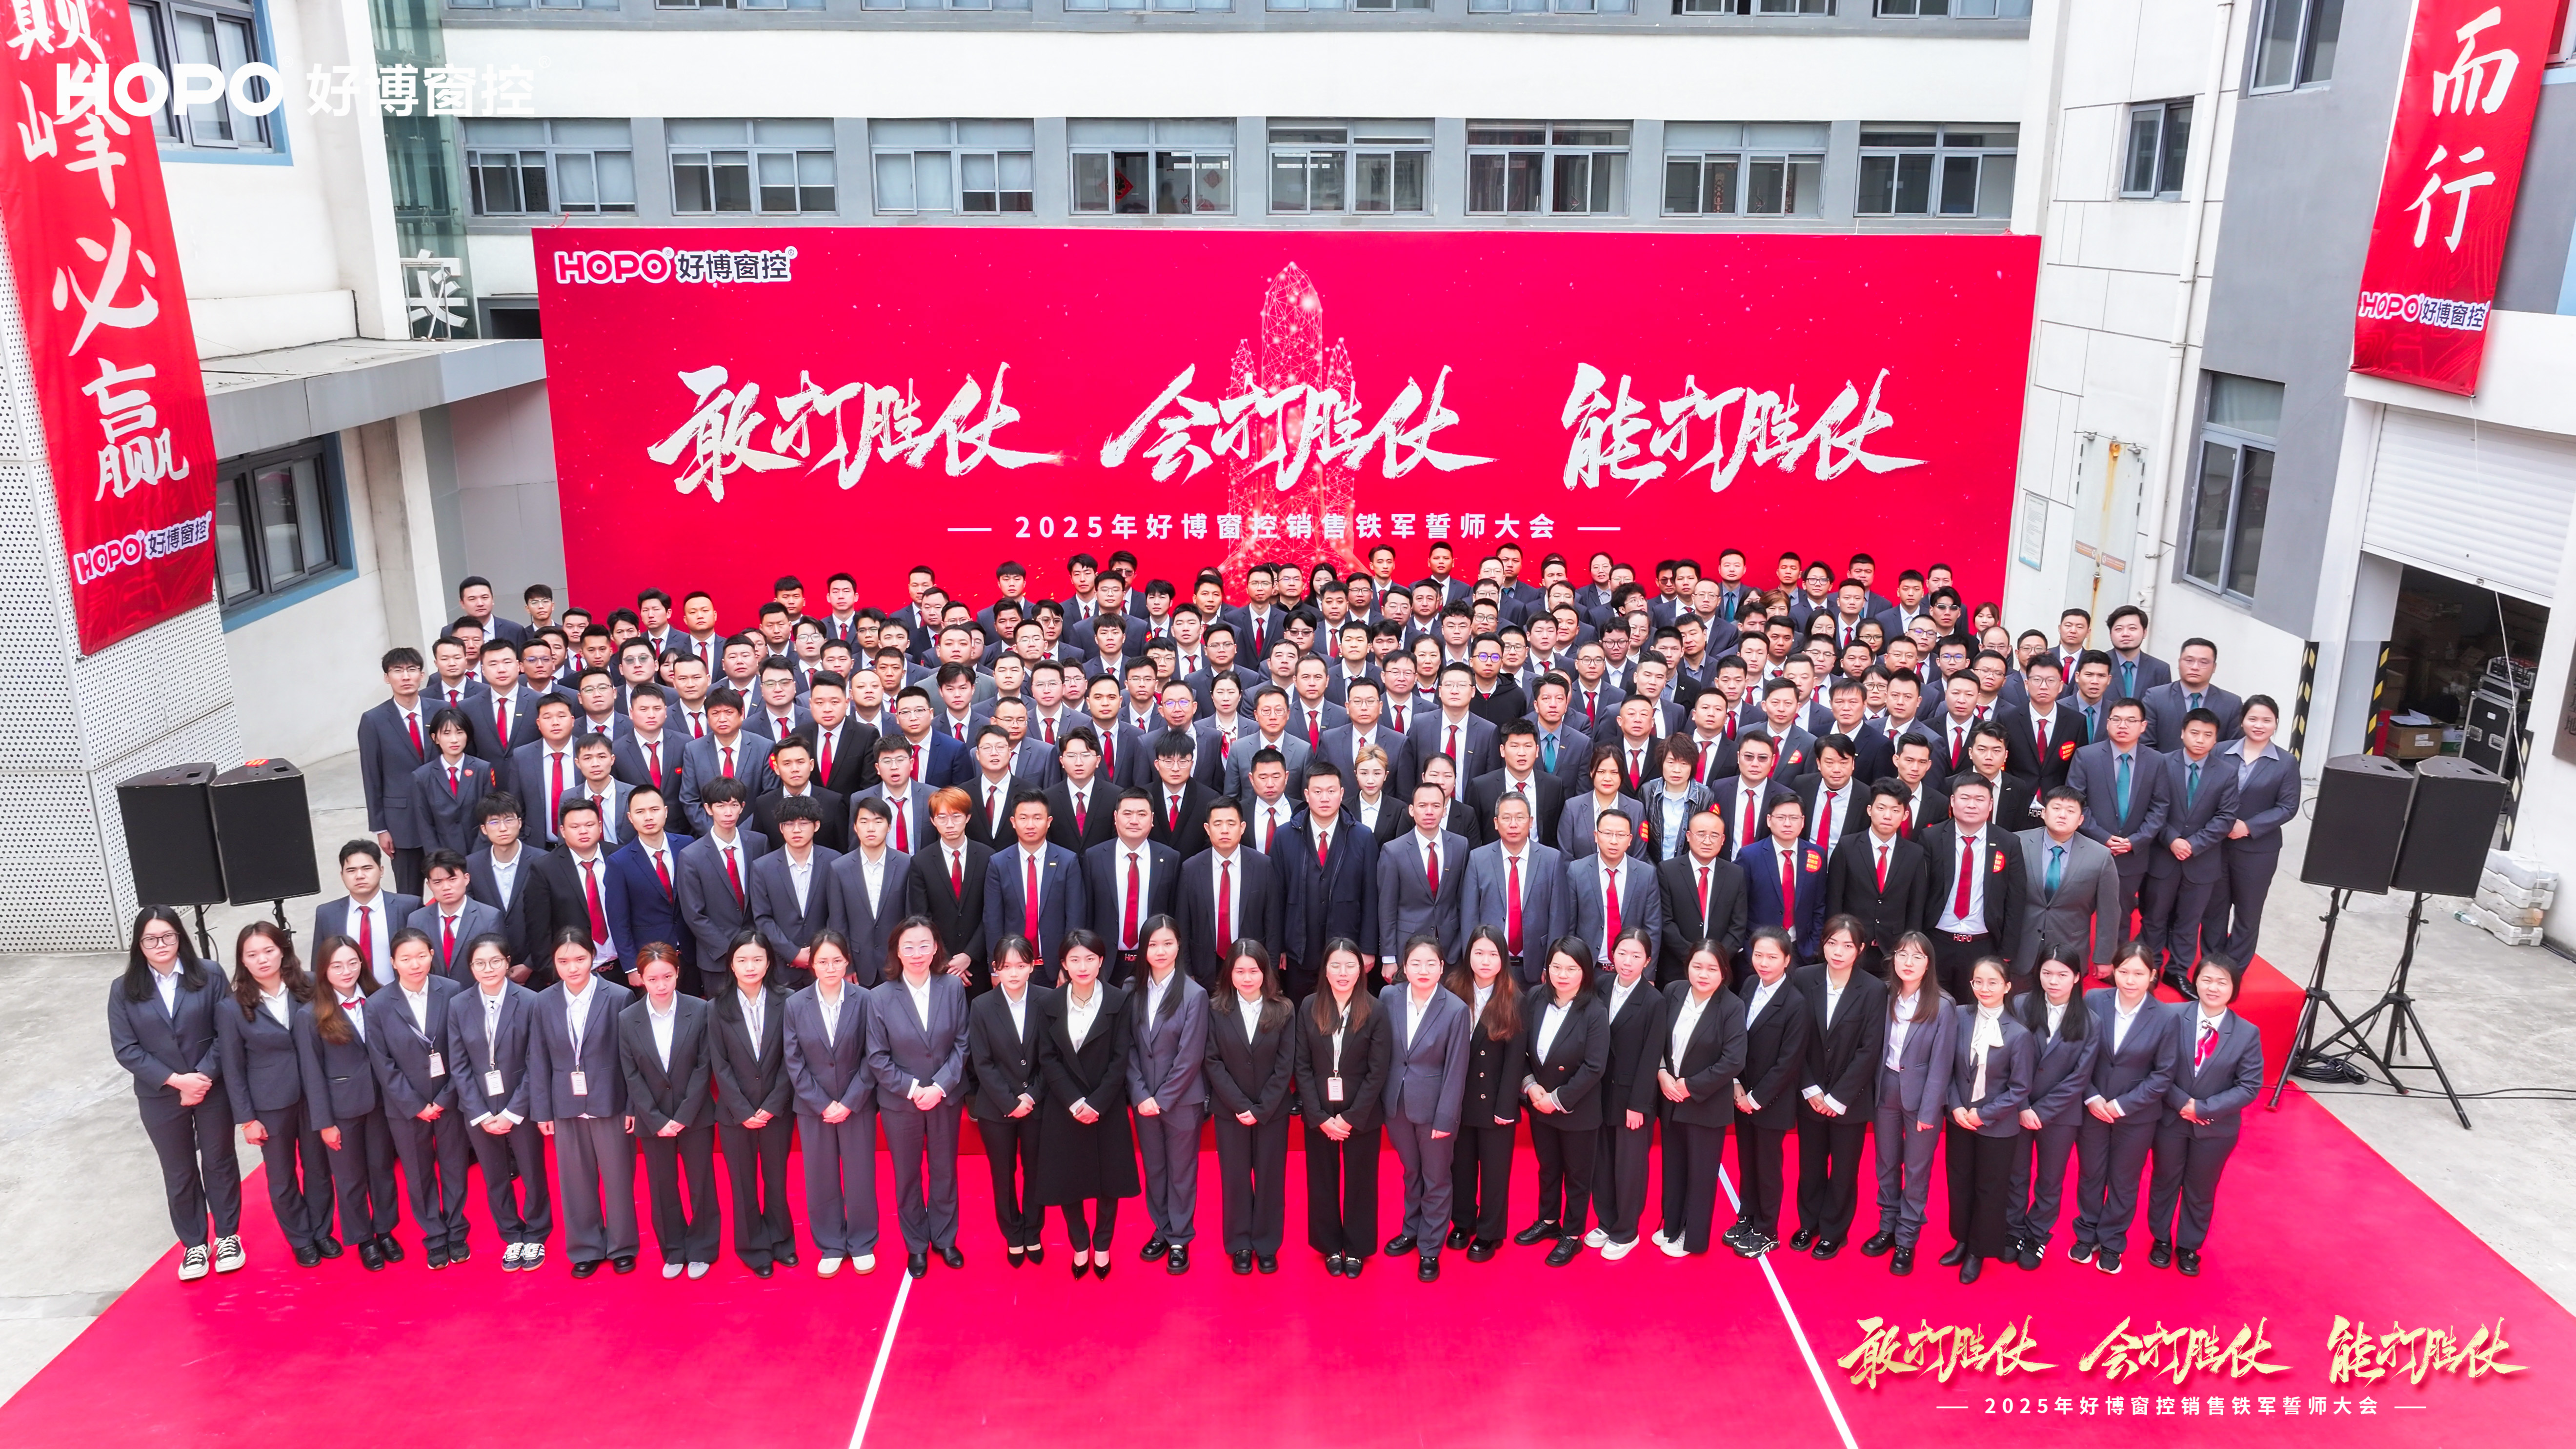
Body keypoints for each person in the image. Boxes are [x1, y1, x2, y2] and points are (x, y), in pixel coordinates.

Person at [109, 907, 247, 1282]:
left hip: (211, 1086)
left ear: (180, 937)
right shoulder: (123, 989)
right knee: (179, 1169)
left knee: (219, 1161)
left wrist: (200, 1077)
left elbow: (226, 1032)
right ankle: (194, 1244)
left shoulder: (209, 974)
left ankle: (228, 1236)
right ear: (139, 945)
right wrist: (176, 1081)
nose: (161, 945)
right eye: (151, 939)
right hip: (160, 1094)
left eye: (168, 936)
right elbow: (126, 1049)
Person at [218, 922, 335, 1267]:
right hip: (269, 1103)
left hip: (314, 1096)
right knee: (282, 1176)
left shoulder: (309, 986)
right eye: (252, 954)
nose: (263, 959)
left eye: (269, 950)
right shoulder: (232, 1007)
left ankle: (322, 1231)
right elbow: (233, 1068)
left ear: (282, 950)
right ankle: (301, 1238)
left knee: (318, 1168)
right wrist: (247, 1119)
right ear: (243, 961)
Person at [2145, 954, 2264, 1277]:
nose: (2213, 987)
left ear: (2234, 988)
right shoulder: (2171, 1016)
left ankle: (2189, 1246)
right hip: (2170, 1120)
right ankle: (2161, 1239)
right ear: (2195, 981)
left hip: (2216, 1129)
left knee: (2201, 1188)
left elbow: (2249, 1086)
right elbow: (2155, 1067)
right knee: (2164, 1180)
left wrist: (2204, 1108)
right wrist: (2183, 1103)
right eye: (2207, 979)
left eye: (2222, 982)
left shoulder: (2247, 1033)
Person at [529, 930, 639, 1276]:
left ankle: (622, 1245)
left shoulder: (619, 996)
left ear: (593, 957)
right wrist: (542, 1111)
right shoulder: (543, 1002)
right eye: (563, 961)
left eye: (580, 959)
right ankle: (585, 1246)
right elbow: (538, 1058)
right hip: (565, 1102)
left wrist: (633, 1106)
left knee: (619, 1178)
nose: (573, 968)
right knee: (575, 1180)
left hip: (612, 1100)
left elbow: (632, 1058)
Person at [869, 916, 972, 1277]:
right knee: (907, 1176)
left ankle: (945, 1238)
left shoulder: (952, 987)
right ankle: (916, 1245)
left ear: (936, 948)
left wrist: (939, 1087)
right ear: (897, 951)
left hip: (945, 1096)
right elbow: (877, 1057)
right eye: (909, 947)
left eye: (924, 945)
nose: (917, 953)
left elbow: (962, 1044)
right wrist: (915, 1090)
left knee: (945, 1171)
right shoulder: (880, 997)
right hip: (901, 1102)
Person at [1034, 929, 1139, 1278]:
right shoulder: (1049, 1003)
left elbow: (1121, 1059)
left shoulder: (1119, 1001)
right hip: (1065, 1106)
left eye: (1090, 959)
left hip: (1106, 1106)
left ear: (1101, 961)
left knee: (1110, 1181)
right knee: (1069, 1181)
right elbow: (1048, 1059)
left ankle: (1103, 1245)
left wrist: (1097, 1103)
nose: (1083, 967)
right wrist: (1075, 1101)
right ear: (1063, 964)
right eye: (1075, 960)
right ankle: (1080, 1244)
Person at [2069, 942, 2178, 1274]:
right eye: (2124, 972)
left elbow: (2164, 1074)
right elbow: (2077, 1055)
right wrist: (2091, 1097)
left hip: (2137, 1116)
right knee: (2090, 1173)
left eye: (2139, 974)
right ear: (2113, 971)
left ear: (2153, 976)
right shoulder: (2093, 1001)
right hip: (2093, 1107)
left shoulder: (2166, 1017)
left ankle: (2113, 1241)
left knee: (2124, 1179)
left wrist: (2122, 1105)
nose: (2130, 980)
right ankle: (2086, 1233)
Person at [366, 927, 472, 1268]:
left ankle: (457, 1230)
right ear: (393, 962)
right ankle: (435, 1236)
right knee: (418, 1173)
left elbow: (463, 1050)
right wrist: (415, 1106)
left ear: (432, 955)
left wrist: (446, 1097)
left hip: (449, 1098)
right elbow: (383, 1063)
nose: (415, 964)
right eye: (406, 958)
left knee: (455, 1167)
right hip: (405, 1107)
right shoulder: (378, 1004)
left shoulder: (452, 991)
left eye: (421, 956)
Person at [296, 934, 400, 1271]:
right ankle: (363, 1239)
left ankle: (385, 1230)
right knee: (350, 1178)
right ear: (323, 970)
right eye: (337, 966)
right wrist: (325, 1123)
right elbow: (312, 1073)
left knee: (382, 1170)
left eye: (353, 963)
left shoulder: (379, 998)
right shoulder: (310, 1014)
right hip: (342, 1109)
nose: (347, 971)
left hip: (383, 1102)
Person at [1789, 916, 1889, 1261]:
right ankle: (1809, 1223)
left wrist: (1838, 1097)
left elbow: (1870, 1049)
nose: (1838, 952)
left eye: (1847, 945)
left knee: (1844, 1170)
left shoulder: (1874, 989)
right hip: (1810, 1095)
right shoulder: (1804, 978)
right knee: (1810, 1167)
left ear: (1860, 949)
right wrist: (1810, 1088)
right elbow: (1795, 1040)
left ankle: (1834, 1232)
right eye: (1832, 943)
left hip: (1851, 1100)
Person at [619, 942, 720, 1279]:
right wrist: (655, 1118)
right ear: (641, 979)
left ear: (678, 973)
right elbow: (631, 1074)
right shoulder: (627, 1018)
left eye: (667, 977)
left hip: (696, 1114)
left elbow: (704, 1066)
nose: (661, 985)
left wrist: (684, 1116)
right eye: (652, 979)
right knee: (662, 1187)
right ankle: (673, 1249)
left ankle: (703, 1248)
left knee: (701, 1183)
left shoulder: (700, 1010)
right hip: (653, 1119)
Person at [784, 930, 881, 1278]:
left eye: (837, 961)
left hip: (858, 1102)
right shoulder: (795, 1004)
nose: (830, 968)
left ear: (847, 962)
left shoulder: (865, 999)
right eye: (822, 961)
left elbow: (874, 1055)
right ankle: (831, 1244)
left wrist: (851, 1101)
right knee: (820, 1177)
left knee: (860, 1175)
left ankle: (862, 1241)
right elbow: (793, 1060)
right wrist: (822, 1104)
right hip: (814, 1107)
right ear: (812, 965)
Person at [1862, 931, 1954, 1277]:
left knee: (1916, 1171)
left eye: (1917, 957)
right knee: (1886, 1163)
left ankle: (1906, 1239)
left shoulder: (1942, 1005)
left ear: (1928, 964)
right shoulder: (1883, 995)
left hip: (1922, 1097)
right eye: (1902, 955)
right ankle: (1887, 1227)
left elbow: (1942, 1064)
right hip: (1886, 1089)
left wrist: (1930, 1110)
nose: (1908, 963)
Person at [1380, 933, 1471, 1281]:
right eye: (1416, 963)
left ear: (1442, 967)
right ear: (1404, 967)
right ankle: (1411, 1230)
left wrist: (1446, 1117)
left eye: (1431, 963)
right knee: (1411, 1172)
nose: (1423, 970)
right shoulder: (1389, 997)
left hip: (1435, 1110)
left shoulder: (1455, 1009)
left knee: (1436, 1178)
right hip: (1396, 1104)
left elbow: (1456, 1069)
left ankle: (1431, 1247)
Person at [1300, 939, 1392, 1278]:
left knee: (1361, 1182)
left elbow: (1378, 1070)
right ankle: (1329, 1245)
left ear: (1362, 969)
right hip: (1320, 1113)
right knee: (1322, 1181)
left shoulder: (1375, 1009)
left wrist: (1351, 1118)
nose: (1343, 973)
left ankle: (1356, 1247)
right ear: (1325, 970)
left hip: (1362, 1114)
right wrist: (1320, 1117)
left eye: (1350, 965)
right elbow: (1302, 1065)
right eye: (1336, 965)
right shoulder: (1310, 1006)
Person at [2005, 946, 2100, 1272]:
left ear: (2077, 977)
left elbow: (2080, 1078)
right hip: (2017, 1107)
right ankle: (2012, 1230)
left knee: (2050, 1179)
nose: (2053, 981)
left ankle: (2037, 1236)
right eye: (2047, 973)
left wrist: (2041, 1111)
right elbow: (2008, 1061)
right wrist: (2022, 1105)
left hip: (2061, 1116)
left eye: (2062, 975)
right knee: (2016, 1174)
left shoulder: (2090, 1021)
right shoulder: (2020, 1005)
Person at [707, 931, 796, 1276]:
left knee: (777, 1179)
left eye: (757, 959)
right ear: (731, 964)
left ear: (769, 962)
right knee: (743, 1184)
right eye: (742, 960)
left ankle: (782, 1241)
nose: (750, 966)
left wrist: (773, 1104)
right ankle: (753, 1247)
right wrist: (743, 1109)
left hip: (777, 1109)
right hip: (735, 1113)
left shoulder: (788, 1001)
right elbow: (720, 1065)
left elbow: (792, 1059)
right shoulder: (717, 1007)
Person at [1206, 940, 1297, 1274]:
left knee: (1271, 1178)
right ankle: (1240, 1243)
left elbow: (1286, 1065)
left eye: (1254, 971)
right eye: (1240, 971)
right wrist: (1240, 1105)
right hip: (1229, 1110)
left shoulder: (1283, 1009)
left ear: (1265, 973)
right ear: (1229, 973)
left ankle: (1267, 1243)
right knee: (1235, 1179)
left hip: (1273, 1111)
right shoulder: (1215, 1009)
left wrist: (1262, 1108)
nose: (1247, 978)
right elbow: (1212, 1061)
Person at [1518, 938, 1610, 1266]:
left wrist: (1556, 1099)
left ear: (1585, 972)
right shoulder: (1534, 998)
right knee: (1548, 1167)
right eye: (1556, 967)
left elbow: (1594, 1067)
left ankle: (1572, 1235)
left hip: (1576, 1109)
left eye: (1572, 968)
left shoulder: (1595, 1011)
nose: (1563, 975)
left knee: (1577, 1175)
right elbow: (1520, 1050)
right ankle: (1548, 1220)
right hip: (1539, 1102)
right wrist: (1531, 1088)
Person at [1125, 915, 1208, 1272]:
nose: (1160, 951)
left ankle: (1180, 1237)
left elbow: (1190, 1056)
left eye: (1168, 943)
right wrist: (1140, 1094)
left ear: (1179, 946)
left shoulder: (1194, 994)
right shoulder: (1132, 988)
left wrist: (1162, 1099)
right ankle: (1161, 1229)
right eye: (1153, 944)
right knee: (1155, 1169)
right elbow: (1128, 1048)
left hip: (1182, 1101)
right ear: (1143, 949)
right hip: (1143, 1099)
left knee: (1182, 1172)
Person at [1653, 940, 1748, 1256]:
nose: (1703, 974)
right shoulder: (1673, 992)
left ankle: (1692, 1238)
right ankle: (1672, 1226)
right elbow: (1657, 1040)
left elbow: (1733, 1061)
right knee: (1674, 1169)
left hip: (1706, 1104)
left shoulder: (1732, 1006)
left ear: (1724, 971)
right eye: (1697, 966)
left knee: (1701, 1176)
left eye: (1712, 968)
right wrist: (1662, 1073)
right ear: (1687, 967)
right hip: (1670, 1096)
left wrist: (1690, 1086)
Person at [1942, 955, 2033, 1284]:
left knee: (1990, 1188)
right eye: (1978, 981)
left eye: (1993, 982)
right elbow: (1946, 1068)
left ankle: (1979, 1251)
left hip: (1997, 1125)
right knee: (1959, 1182)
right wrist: (1955, 1107)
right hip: (1959, 1119)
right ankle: (1962, 1240)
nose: (1985, 988)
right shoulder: (1958, 1016)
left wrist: (1984, 1114)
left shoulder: (2019, 1033)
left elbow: (2020, 1087)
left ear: (2007, 987)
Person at [967, 937, 1052, 1266]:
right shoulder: (982, 1006)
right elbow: (982, 1062)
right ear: (995, 969)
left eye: (1021, 965)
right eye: (1006, 966)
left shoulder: (1047, 1000)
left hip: (1037, 1105)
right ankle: (1013, 1235)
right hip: (996, 1108)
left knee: (1036, 1173)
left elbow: (1051, 1057)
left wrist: (1032, 1095)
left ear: (1032, 966)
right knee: (1003, 1175)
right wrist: (1010, 1101)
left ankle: (1033, 1231)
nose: (1014, 973)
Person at [1727, 927, 1811, 1257]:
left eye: (1772, 957)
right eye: (1758, 955)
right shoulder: (1749, 985)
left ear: (1787, 960)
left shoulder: (1796, 1003)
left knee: (1768, 1168)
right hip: (1741, 1095)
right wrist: (1736, 1085)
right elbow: (1735, 1039)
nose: (1763, 962)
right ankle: (1747, 1216)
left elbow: (1789, 1062)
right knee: (1747, 1162)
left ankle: (1767, 1229)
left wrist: (1756, 1098)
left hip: (1770, 1102)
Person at [1443, 926, 1525, 1263]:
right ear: (1469, 956)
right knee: (1460, 1166)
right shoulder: (1452, 989)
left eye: (1493, 954)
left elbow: (1516, 1060)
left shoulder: (1514, 998)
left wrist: (1506, 1106)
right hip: (1458, 1098)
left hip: (1494, 1100)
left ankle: (1490, 1231)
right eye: (1479, 953)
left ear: (1503, 958)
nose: (1486, 960)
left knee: (1494, 1170)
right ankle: (1463, 1222)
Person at [2210, 696, 2300, 965]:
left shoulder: (2285, 762)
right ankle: (2211, 965)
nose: (2259, 725)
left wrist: (2248, 827)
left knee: (2248, 913)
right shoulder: (2220, 751)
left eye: (2266, 720)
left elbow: (2287, 807)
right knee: (2213, 909)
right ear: (2242, 721)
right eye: (2253, 719)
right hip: (2215, 845)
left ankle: (2234, 969)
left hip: (2258, 850)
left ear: (2276, 724)